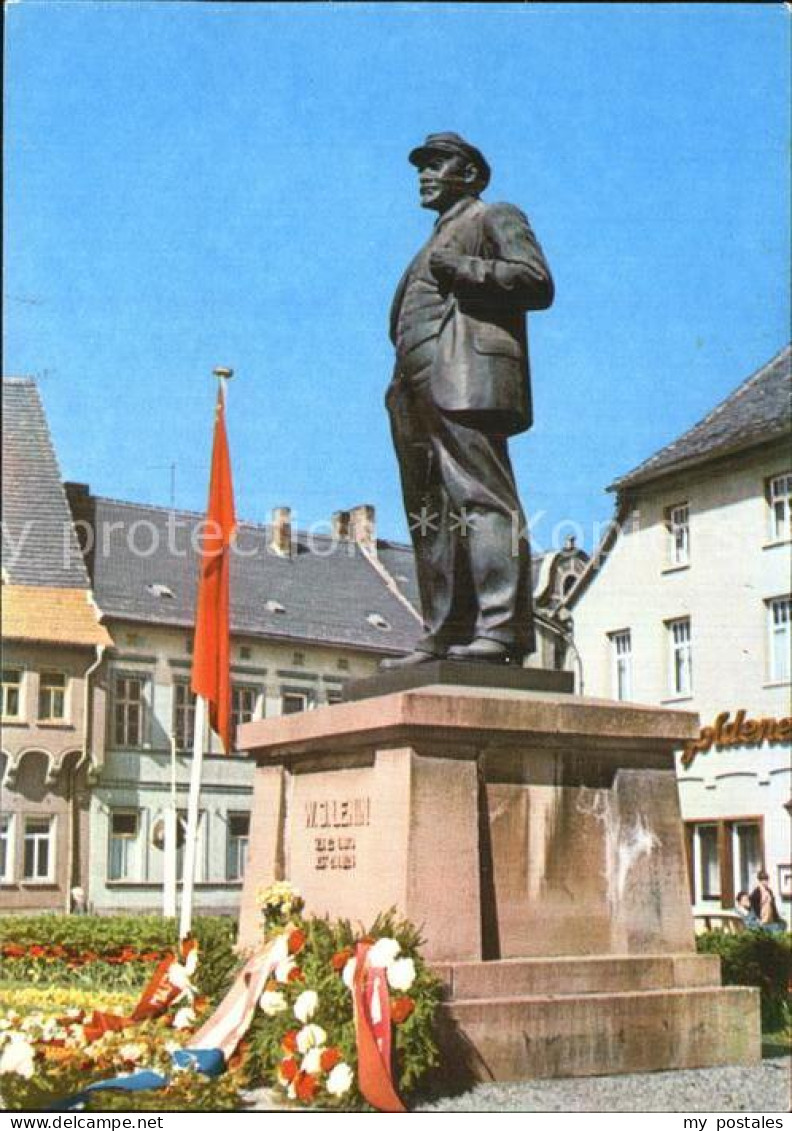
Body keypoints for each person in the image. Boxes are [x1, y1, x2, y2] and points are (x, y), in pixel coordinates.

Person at [381, 132, 554, 669]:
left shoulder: (494, 216)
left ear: (472, 174)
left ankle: (501, 629)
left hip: (462, 374)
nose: (425, 175)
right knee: (430, 514)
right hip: (414, 388)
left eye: (438, 164)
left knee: (482, 501)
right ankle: (445, 630)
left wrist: (466, 270)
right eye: (422, 167)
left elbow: (536, 281)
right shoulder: (431, 240)